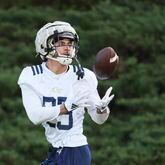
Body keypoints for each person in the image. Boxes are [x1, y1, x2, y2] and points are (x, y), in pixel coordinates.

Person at [18, 21, 114, 165]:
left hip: (75, 150)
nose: (67, 48)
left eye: (70, 43)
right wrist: (67, 106)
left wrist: (102, 109)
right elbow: (35, 116)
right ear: (45, 45)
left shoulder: (83, 76)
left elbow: (98, 119)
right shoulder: (31, 75)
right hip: (55, 150)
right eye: (61, 43)